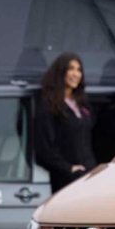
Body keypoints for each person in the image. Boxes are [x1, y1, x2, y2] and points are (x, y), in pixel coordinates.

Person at [33, 53, 96, 192]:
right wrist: (68, 168)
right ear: (60, 72)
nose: (76, 74)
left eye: (79, 70)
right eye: (71, 69)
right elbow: (44, 149)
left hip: (88, 177)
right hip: (65, 181)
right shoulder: (48, 105)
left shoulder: (82, 103)